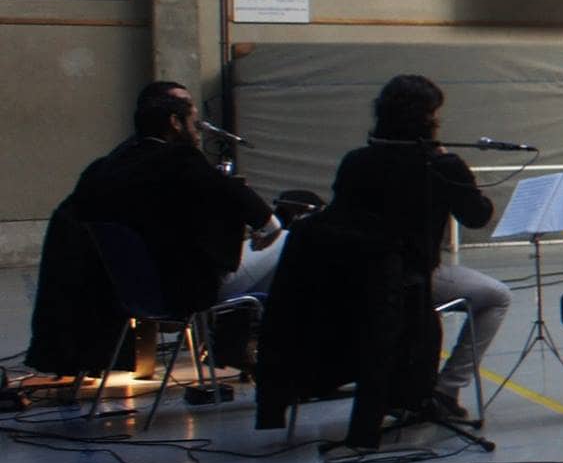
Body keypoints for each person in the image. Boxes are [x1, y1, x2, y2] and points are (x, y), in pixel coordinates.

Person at [29, 88, 282, 376]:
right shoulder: (180, 159)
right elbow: (237, 198)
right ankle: (246, 347)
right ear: (175, 123)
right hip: (182, 291)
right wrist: (268, 227)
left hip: (127, 293)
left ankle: (232, 343)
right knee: (287, 243)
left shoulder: (104, 169)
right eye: (193, 122)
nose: (197, 131)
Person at [327, 75, 511, 419]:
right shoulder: (440, 165)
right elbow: (477, 216)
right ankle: (447, 389)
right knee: (497, 296)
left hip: (355, 278)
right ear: (427, 118)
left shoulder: (355, 162)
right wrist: (458, 173)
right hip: (413, 276)